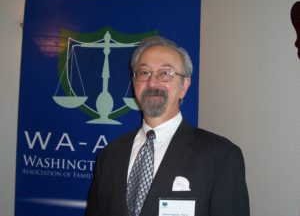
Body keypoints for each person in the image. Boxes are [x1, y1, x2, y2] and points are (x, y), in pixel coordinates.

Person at [86, 36, 250, 216]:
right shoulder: (109, 155)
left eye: (165, 73)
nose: (152, 82)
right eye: (144, 72)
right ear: (134, 84)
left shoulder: (220, 156)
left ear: (184, 86)